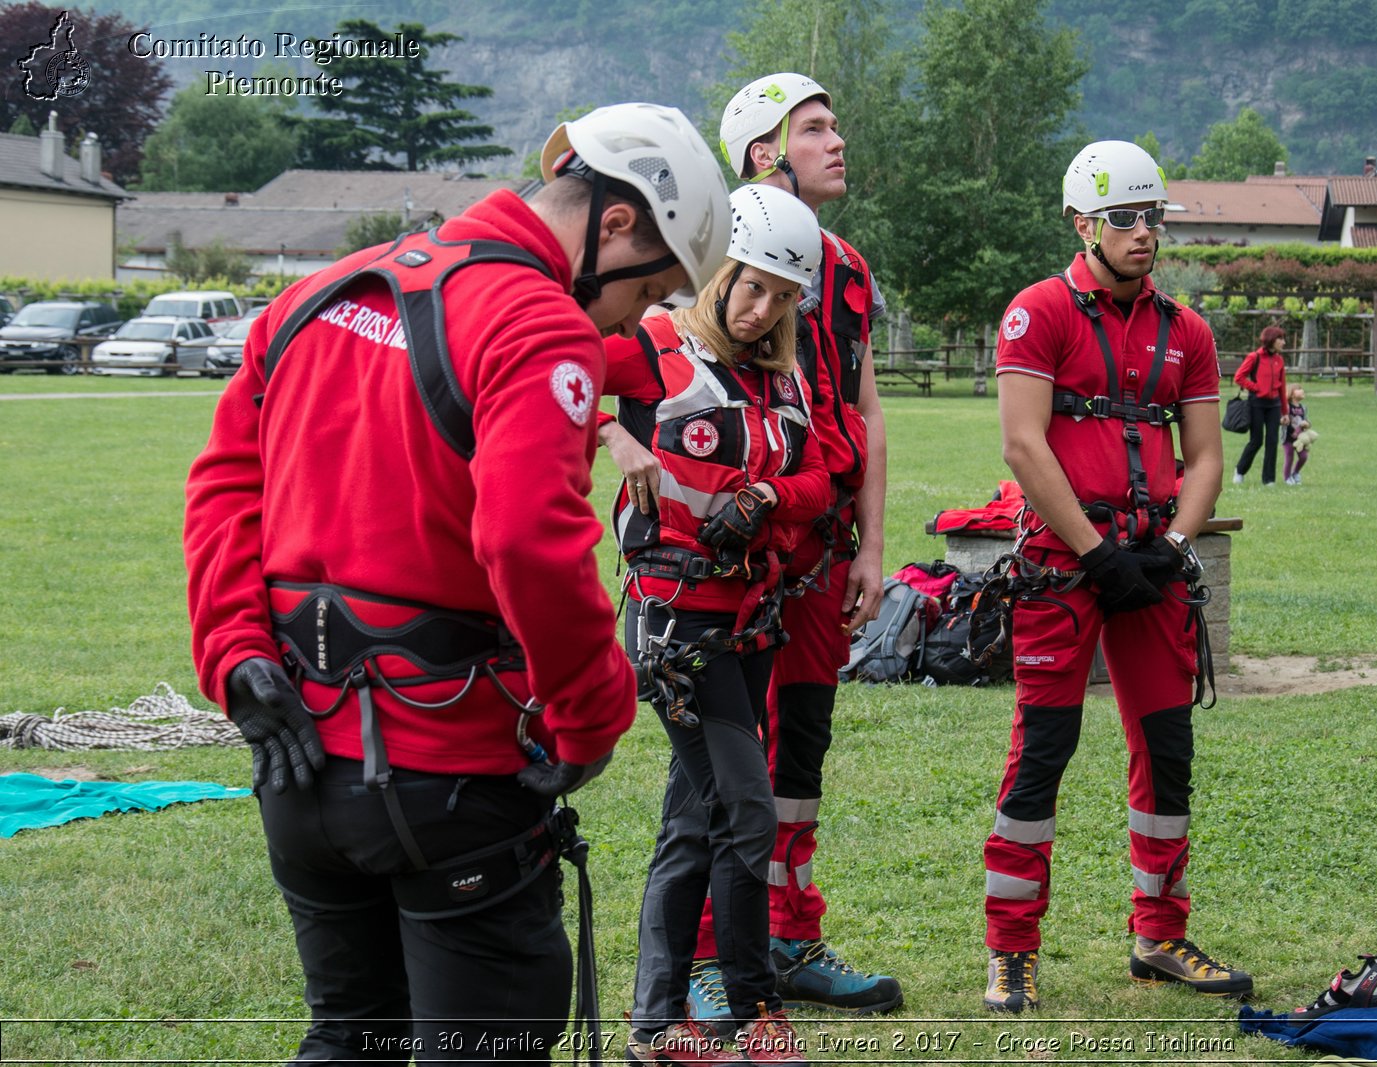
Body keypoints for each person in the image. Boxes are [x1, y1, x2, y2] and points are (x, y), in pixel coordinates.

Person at [182, 103, 730, 1064]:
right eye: (651, 287)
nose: (634, 318)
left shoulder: (321, 293)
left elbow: (227, 481)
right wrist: (592, 714)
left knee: (350, 1038)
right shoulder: (535, 323)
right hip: (450, 775)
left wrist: (231, 650)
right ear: (613, 224)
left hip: (300, 769)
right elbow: (527, 538)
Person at [981, 139, 1252, 1012]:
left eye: (1153, 217)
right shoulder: (1039, 313)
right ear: (1083, 222)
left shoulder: (1189, 331)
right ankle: (1011, 949)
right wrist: (1096, 555)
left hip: (1154, 565)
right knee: (1042, 755)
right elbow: (1024, 442)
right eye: (1125, 219)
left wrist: (1170, 548)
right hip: (1067, 568)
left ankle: (1161, 933)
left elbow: (1206, 456)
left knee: (1167, 751)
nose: (1144, 234)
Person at [666, 70, 902, 1016]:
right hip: (736, 553)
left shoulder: (847, 268)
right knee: (730, 757)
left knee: (801, 744)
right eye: (815, 129)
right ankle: (711, 956)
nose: (837, 141)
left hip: (826, 549)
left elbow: (868, 413)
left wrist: (874, 549)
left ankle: (791, 936)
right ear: (764, 152)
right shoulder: (713, 258)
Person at [601, 184, 828, 1065]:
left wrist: (770, 493)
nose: (762, 306)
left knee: (697, 820)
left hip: (749, 623)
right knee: (746, 810)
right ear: (722, 270)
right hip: (674, 622)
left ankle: (655, 1027)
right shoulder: (655, 343)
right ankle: (753, 1009)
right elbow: (537, 374)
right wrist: (614, 439)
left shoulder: (782, 374)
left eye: (782, 295)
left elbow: (818, 480)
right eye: (753, 284)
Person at [1231, 325, 1289, 486]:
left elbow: (1282, 387)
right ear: (1271, 340)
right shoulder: (1254, 357)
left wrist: (1285, 412)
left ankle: (1269, 480)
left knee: (1272, 441)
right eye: (1281, 339)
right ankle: (1240, 471)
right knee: (1256, 441)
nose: (1283, 342)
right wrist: (1256, 388)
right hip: (1256, 404)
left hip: (1274, 405)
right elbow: (1239, 377)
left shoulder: (1279, 360)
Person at [1282, 385, 1316, 484]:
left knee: (1304, 456)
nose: (1302, 390)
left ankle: (1295, 473)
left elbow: (1307, 421)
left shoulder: (1303, 408)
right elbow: (1284, 420)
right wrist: (1292, 430)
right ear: (1292, 394)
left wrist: (1307, 424)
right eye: (1298, 389)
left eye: (1302, 388)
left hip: (1301, 439)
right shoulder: (1287, 407)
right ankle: (1287, 478)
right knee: (1289, 456)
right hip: (1288, 438)